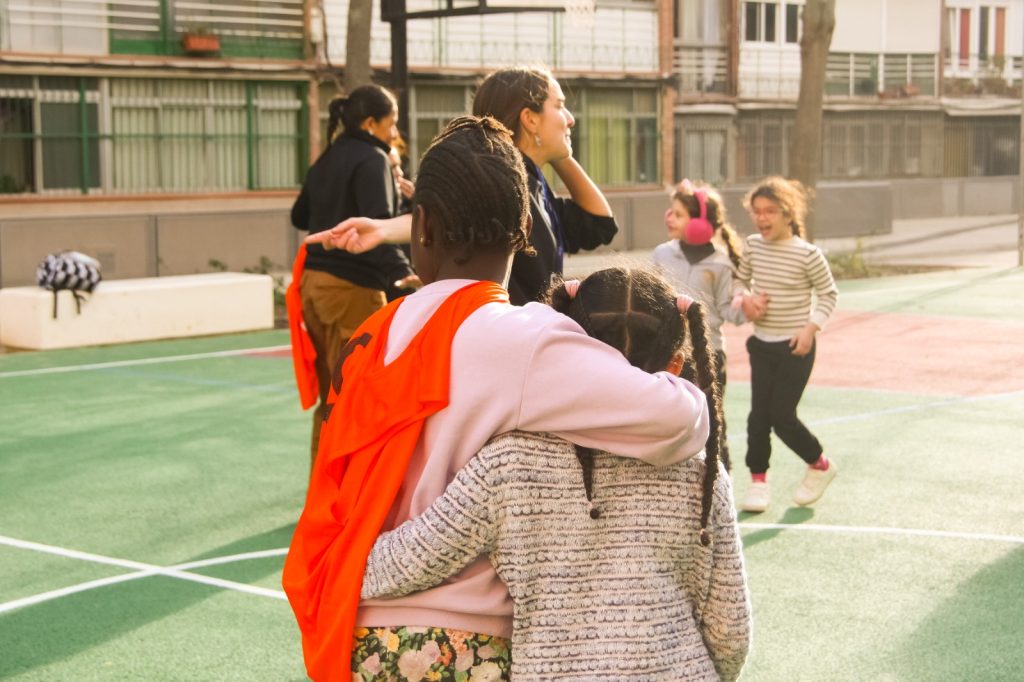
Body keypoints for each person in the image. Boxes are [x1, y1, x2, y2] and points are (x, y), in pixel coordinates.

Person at [282, 116, 711, 682]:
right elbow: (678, 422)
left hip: (357, 630)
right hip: (462, 642)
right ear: (524, 228)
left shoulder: (374, 333)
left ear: (423, 226)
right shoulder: (521, 341)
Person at [361, 267, 752, 681]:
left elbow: (405, 562)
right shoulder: (700, 474)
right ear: (676, 365)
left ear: (567, 350)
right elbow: (729, 630)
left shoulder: (509, 463)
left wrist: (331, 558)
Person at [310, 66, 618, 306]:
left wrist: (559, 155)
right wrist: (382, 230)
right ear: (530, 119)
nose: (570, 118)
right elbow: (455, 213)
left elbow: (600, 225)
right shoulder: (501, 181)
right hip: (506, 348)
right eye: (560, 106)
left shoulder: (535, 183)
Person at [286, 84, 418, 469]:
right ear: (371, 123)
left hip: (314, 284)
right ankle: (350, 496)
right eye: (391, 125)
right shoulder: (373, 159)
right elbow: (375, 227)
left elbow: (299, 216)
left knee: (334, 394)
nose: (395, 134)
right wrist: (402, 272)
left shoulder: (327, 158)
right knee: (357, 396)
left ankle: (323, 492)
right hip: (350, 289)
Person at [733, 176, 839, 513]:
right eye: (757, 212)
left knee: (781, 416)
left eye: (770, 212)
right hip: (761, 345)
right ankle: (758, 483)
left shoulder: (808, 255)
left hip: (796, 347)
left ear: (788, 213)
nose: (762, 219)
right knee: (757, 419)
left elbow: (828, 295)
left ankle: (819, 464)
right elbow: (740, 281)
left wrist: (811, 328)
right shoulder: (752, 245)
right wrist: (745, 300)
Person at [653, 179, 765, 470]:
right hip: (671, 352)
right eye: (670, 211)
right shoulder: (662, 253)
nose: (669, 218)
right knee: (670, 419)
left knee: (713, 420)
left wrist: (749, 308)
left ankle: (719, 477)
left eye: (678, 213)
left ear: (701, 223)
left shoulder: (721, 264)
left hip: (710, 353)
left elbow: (730, 312)